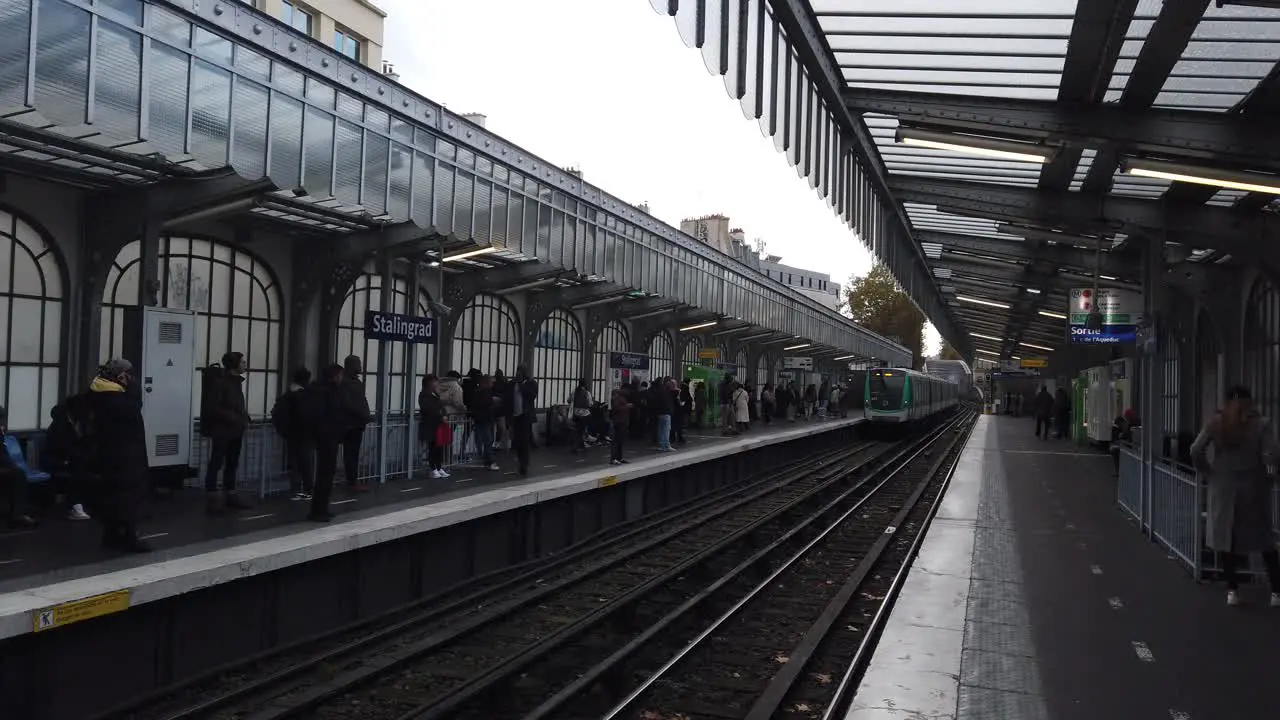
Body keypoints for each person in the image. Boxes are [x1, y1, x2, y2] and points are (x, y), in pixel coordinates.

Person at [1191, 386, 1280, 607]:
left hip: (1223, 489)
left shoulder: (1217, 423)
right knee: (1265, 541)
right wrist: (1269, 476)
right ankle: (1276, 592)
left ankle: (1232, 590)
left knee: (1226, 540)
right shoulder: (1262, 424)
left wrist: (1209, 473)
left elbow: (1195, 450)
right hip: (1254, 489)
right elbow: (1273, 454)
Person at [84, 359, 150, 551]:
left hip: (106, 454)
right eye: (129, 374)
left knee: (111, 494)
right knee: (129, 495)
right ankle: (130, 536)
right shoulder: (116, 398)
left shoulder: (98, 394)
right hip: (124, 455)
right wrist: (134, 388)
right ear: (120, 375)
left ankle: (111, 533)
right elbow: (133, 407)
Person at [201, 352, 251, 512]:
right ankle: (213, 495)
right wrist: (234, 417)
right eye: (242, 362)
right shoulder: (221, 383)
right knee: (217, 461)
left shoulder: (236, 383)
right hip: (223, 429)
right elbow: (213, 407)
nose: (244, 364)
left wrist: (243, 418)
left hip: (235, 428)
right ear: (234, 364)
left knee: (232, 462)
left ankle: (229, 492)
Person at [300, 364, 348, 522]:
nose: (342, 378)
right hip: (326, 437)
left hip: (328, 436)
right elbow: (322, 415)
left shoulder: (321, 389)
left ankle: (322, 508)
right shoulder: (323, 392)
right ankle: (318, 510)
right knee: (324, 474)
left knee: (326, 474)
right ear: (334, 376)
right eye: (340, 375)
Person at [272, 368, 315, 501]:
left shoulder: (287, 394)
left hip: (291, 433)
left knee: (295, 462)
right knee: (306, 462)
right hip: (304, 432)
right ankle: (308, 489)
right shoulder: (303, 395)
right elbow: (307, 414)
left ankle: (295, 490)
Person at [44, 402, 91, 520]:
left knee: (82, 467)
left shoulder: (68, 426)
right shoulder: (60, 428)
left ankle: (78, 504)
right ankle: (76, 505)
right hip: (57, 461)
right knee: (78, 471)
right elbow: (63, 448)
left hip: (65, 459)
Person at [339, 355, 373, 491]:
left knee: (353, 453)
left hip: (357, 423)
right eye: (358, 364)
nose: (360, 366)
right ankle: (352, 481)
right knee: (350, 453)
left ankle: (352, 479)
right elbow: (349, 403)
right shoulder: (347, 383)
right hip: (351, 423)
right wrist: (363, 414)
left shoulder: (355, 382)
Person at [505, 366, 538, 476]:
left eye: (521, 372)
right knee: (517, 441)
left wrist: (521, 385)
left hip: (525, 416)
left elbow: (531, 396)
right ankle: (520, 460)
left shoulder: (531, 383)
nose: (518, 374)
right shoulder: (511, 384)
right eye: (517, 371)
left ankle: (524, 464)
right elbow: (508, 400)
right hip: (515, 416)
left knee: (524, 441)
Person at [418, 374, 448, 478]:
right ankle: (433, 468)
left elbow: (441, 407)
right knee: (433, 447)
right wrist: (441, 416)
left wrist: (444, 415)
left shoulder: (435, 395)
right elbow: (430, 409)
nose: (437, 383)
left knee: (439, 447)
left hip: (438, 425)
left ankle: (439, 467)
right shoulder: (424, 395)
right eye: (435, 381)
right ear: (429, 383)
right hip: (430, 424)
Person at [468, 374, 499, 471]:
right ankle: (489, 460)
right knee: (488, 440)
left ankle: (487, 459)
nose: (491, 384)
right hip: (484, 419)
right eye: (490, 382)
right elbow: (482, 403)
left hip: (486, 418)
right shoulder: (481, 392)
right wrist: (492, 400)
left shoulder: (482, 392)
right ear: (484, 382)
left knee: (487, 440)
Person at [609, 384, 631, 465]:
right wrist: (626, 406)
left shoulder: (622, 398)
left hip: (623, 421)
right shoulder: (616, 398)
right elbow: (616, 408)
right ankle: (614, 458)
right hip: (619, 421)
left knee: (621, 440)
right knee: (616, 440)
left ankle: (619, 457)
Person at [571, 380, 592, 453]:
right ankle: (581, 444)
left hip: (576, 413)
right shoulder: (587, 393)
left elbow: (569, 400)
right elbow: (590, 404)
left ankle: (576, 445)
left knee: (577, 430)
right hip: (585, 414)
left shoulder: (574, 392)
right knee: (582, 430)